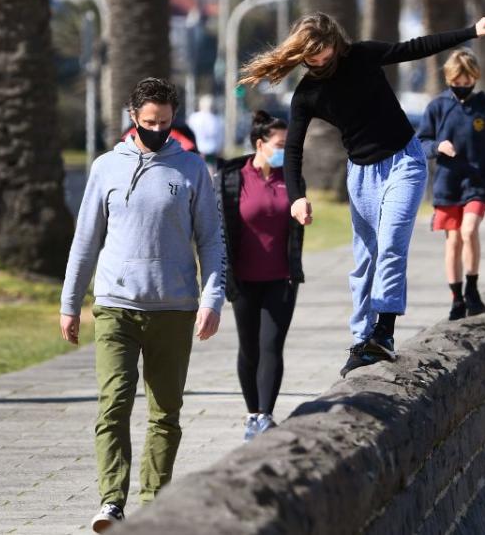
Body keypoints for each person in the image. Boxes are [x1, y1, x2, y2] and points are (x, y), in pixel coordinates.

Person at [238, 12, 485, 377]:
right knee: (365, 260)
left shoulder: (361, 55)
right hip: (361, 175)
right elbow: (294, 150)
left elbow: (415, 47)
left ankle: (384, 333)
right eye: (309, 54)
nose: (317, 59)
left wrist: (469, 31)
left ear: (334, 42)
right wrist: (297, 196)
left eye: (323, 51)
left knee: (392, 244)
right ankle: (362, 337)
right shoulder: (306, 95)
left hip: (404, 161)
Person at [59, 78, 226, 533]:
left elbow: (211, 241)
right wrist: (70, 302)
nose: (157, 130)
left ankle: (154, 503)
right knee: (112, 404)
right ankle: (111, 501)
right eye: (149, 123)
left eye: (166, 123)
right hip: (115, 305)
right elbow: (85, 240)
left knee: (165, 411)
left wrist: (212, 299)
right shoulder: (106, 168)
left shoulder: (191, 169)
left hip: (174, 307)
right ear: (133, 117)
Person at [216, 111, 304, 442]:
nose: (285, 150)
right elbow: (218, 226)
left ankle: (265, 416)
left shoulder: (291, 178)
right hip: (243, 280)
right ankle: (252, 413)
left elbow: (298, 217)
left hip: (281, 278)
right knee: (249, 348)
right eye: (280, 144)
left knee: (272, 346)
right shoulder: (232, 177)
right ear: (260, 144)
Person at [417, 48, 485, 321]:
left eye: (467, 81)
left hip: (478, 184)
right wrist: (437, 146)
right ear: (449, 78)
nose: (462, 86)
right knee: (453, 240)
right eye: (456, 82)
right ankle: (456, 297)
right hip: (447, 185)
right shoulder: (437, 107)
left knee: (469, 231)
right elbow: (419, 144)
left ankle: (472, 289)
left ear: (475, 78)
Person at [188, 94, 225, 160]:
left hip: (199, 149)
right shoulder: (217, 119)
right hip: (210, 149)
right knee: (210, 168)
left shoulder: (194, 118)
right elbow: (220, 137)